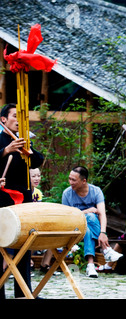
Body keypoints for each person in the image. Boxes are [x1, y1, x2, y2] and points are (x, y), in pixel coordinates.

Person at [0, 103, 44, 299]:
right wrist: (6, 150)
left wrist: (29, 152)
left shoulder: (23, 139)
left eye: (21, 116)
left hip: (24, 197)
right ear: (3, 120)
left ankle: (23, 293)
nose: (19, 120)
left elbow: (38, 161)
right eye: (14, 116)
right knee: (0, 245)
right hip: (2, 196)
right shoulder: (2, 139)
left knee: (24, 244)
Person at [61, 166, 122, 278]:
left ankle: (90, 265)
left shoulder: (95, 191)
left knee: (89, 227)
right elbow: (67, 217)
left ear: (84, 181)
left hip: (89, 229)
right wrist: (86, 211)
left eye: (74, 180)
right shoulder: (67, 194)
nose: (70, 182)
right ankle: (106, 250)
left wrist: (103, 233)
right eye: (69, 179)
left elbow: (102, 213)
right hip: (74, 227)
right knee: (90, 215)